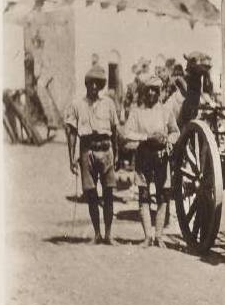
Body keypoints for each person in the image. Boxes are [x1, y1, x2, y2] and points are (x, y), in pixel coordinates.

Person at [123, 76, 180, 248]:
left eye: (154, 90)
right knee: (144, 194)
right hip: (144, 155)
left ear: (159, 92)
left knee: (163, 195)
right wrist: (146, 137)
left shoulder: (165, 111)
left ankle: (159, 235)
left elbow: (175, 132)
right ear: (144, 92)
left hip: (161, 156)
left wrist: (169, 142)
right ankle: (148, 236)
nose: (151, 93)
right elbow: (127, 133)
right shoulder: (136, 111)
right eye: (148, 90)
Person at [65, 65, 119, 245]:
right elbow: (71, 132)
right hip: (86, 150)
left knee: (109, 192)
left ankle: (108, 234)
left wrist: (116, 154)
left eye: (97, 83)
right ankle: (97, 233)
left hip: (106, 150)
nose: (94, 87)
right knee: (91, 194)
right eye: (91, 83)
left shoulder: (109, 104)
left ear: (101, 85)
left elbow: (115, 130)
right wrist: (72, 157)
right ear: (86, 84)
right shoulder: (77, 105)